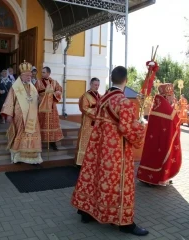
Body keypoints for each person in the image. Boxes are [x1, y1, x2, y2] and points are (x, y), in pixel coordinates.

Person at [71, 66, 148, 236]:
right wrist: (141, 127)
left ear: (112, 79)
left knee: (95, 177)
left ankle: (87, 211)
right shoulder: (124, 102)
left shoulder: (102, 99)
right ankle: (124, 222)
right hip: (116, 152)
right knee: (120, 185)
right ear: (125, 81)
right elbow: (127, 129)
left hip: (98, 148)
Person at [137, 83, 182, 186]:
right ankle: (157, 178)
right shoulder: (165, 108)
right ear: (166, 96)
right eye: (171, 96)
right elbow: (176, 120)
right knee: (158, 157)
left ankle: (148, 177)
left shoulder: (157, 106)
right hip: (161, 140)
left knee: (152, 157)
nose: (173, 98)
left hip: (155, 140)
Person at [1, 61, 43, 164]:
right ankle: (18, 155)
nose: (29, 77)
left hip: (32, 116)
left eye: (30, 75)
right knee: (20, 134)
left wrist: (42, 100)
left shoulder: (33, 87)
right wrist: (9, 115)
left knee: (32, 134)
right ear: (21, 75)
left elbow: (37, 100)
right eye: (27, 75)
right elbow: (10, 101)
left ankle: (33, 157)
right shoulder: (15, 87)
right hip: (20, 116)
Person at [35, 67, 63, 150]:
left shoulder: (54, 82)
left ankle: (52, 142)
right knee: (42, 123)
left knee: (52, 125)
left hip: (52, 108)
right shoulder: (38, 82)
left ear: (48, 73)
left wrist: (54, 94)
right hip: (42, 107)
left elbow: (60, 90)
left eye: (44, 72)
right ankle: (39, 141)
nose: (42, 74)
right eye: (42, 72)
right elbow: (35, 93)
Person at [75, 77, 101, 166]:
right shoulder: (85, 96)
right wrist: (96, 113)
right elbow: (84, 107)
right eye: (95, 85)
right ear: (90, 84)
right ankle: (81, 162)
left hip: (97, 123)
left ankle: (92, 161)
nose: (96, 87)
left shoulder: (100, 96)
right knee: (85, 141)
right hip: (88, 122)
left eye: (98, 85)